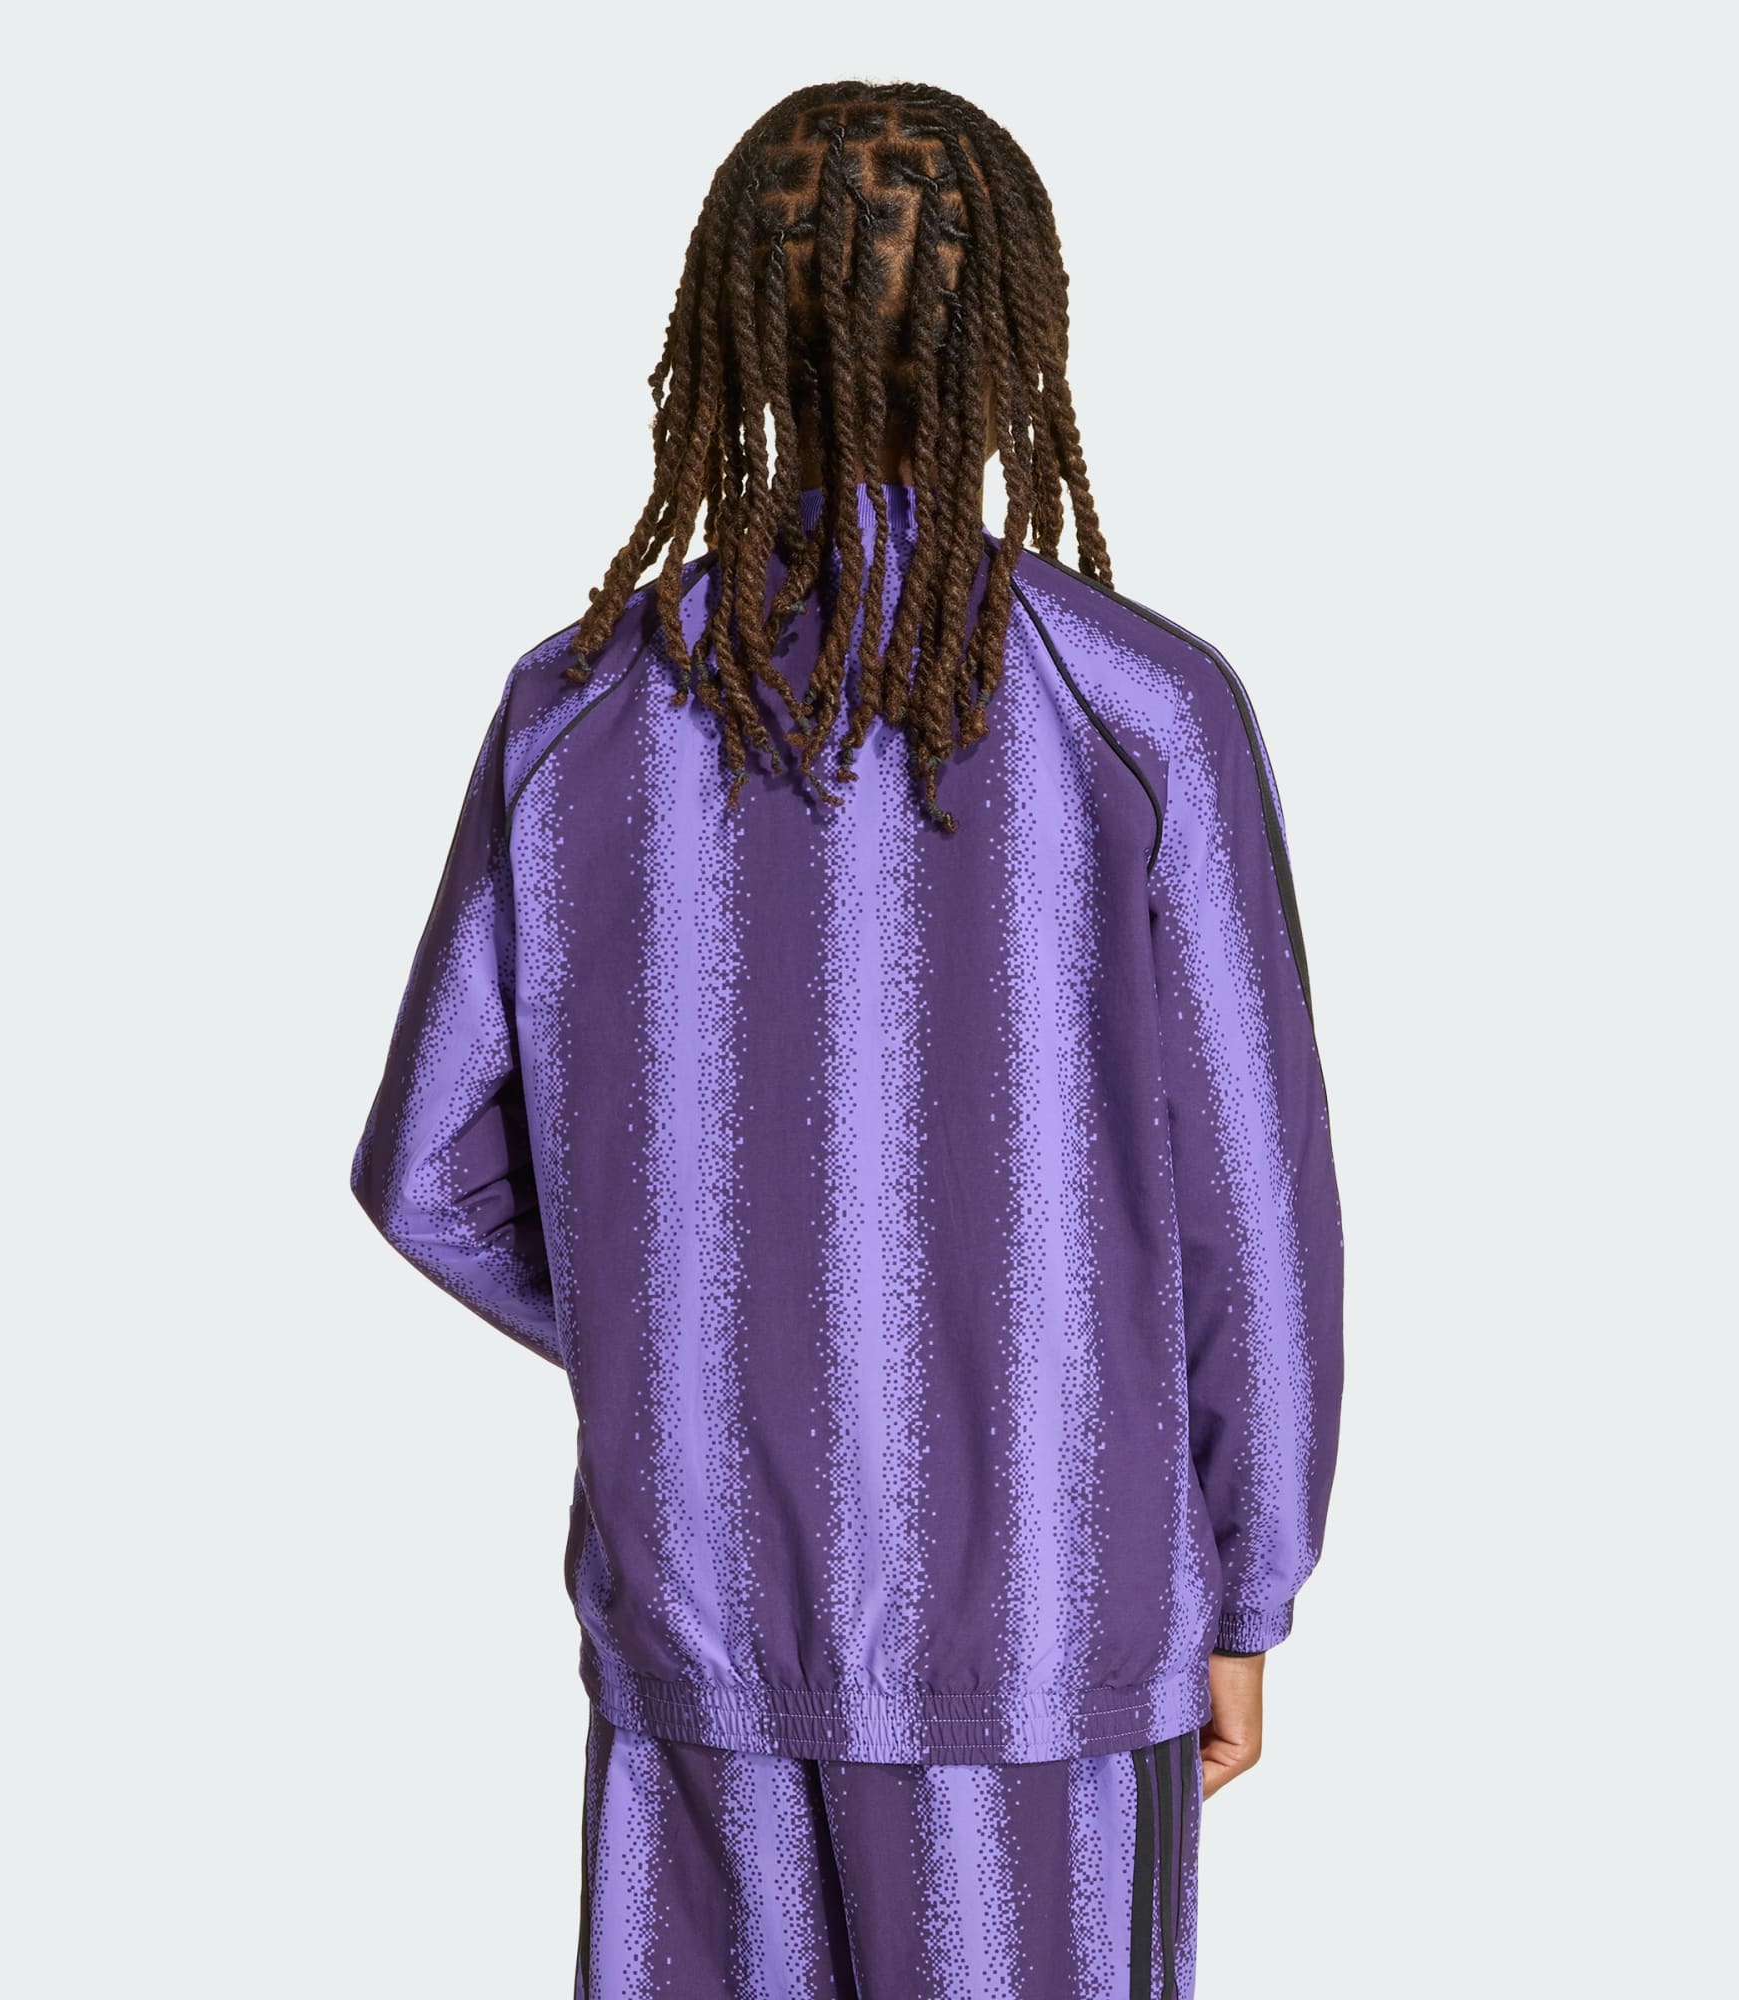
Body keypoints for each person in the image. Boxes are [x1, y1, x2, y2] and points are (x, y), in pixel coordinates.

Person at [349, 76, 1344, 2000]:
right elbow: (1251, 1199)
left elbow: (431, 1170)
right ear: (1016, 343)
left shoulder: (580, 706)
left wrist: (690, 1338)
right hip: (1055, 1628)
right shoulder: (1144, 707)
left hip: (696, 1618)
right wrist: (1252, 1580)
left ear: (733, 339)